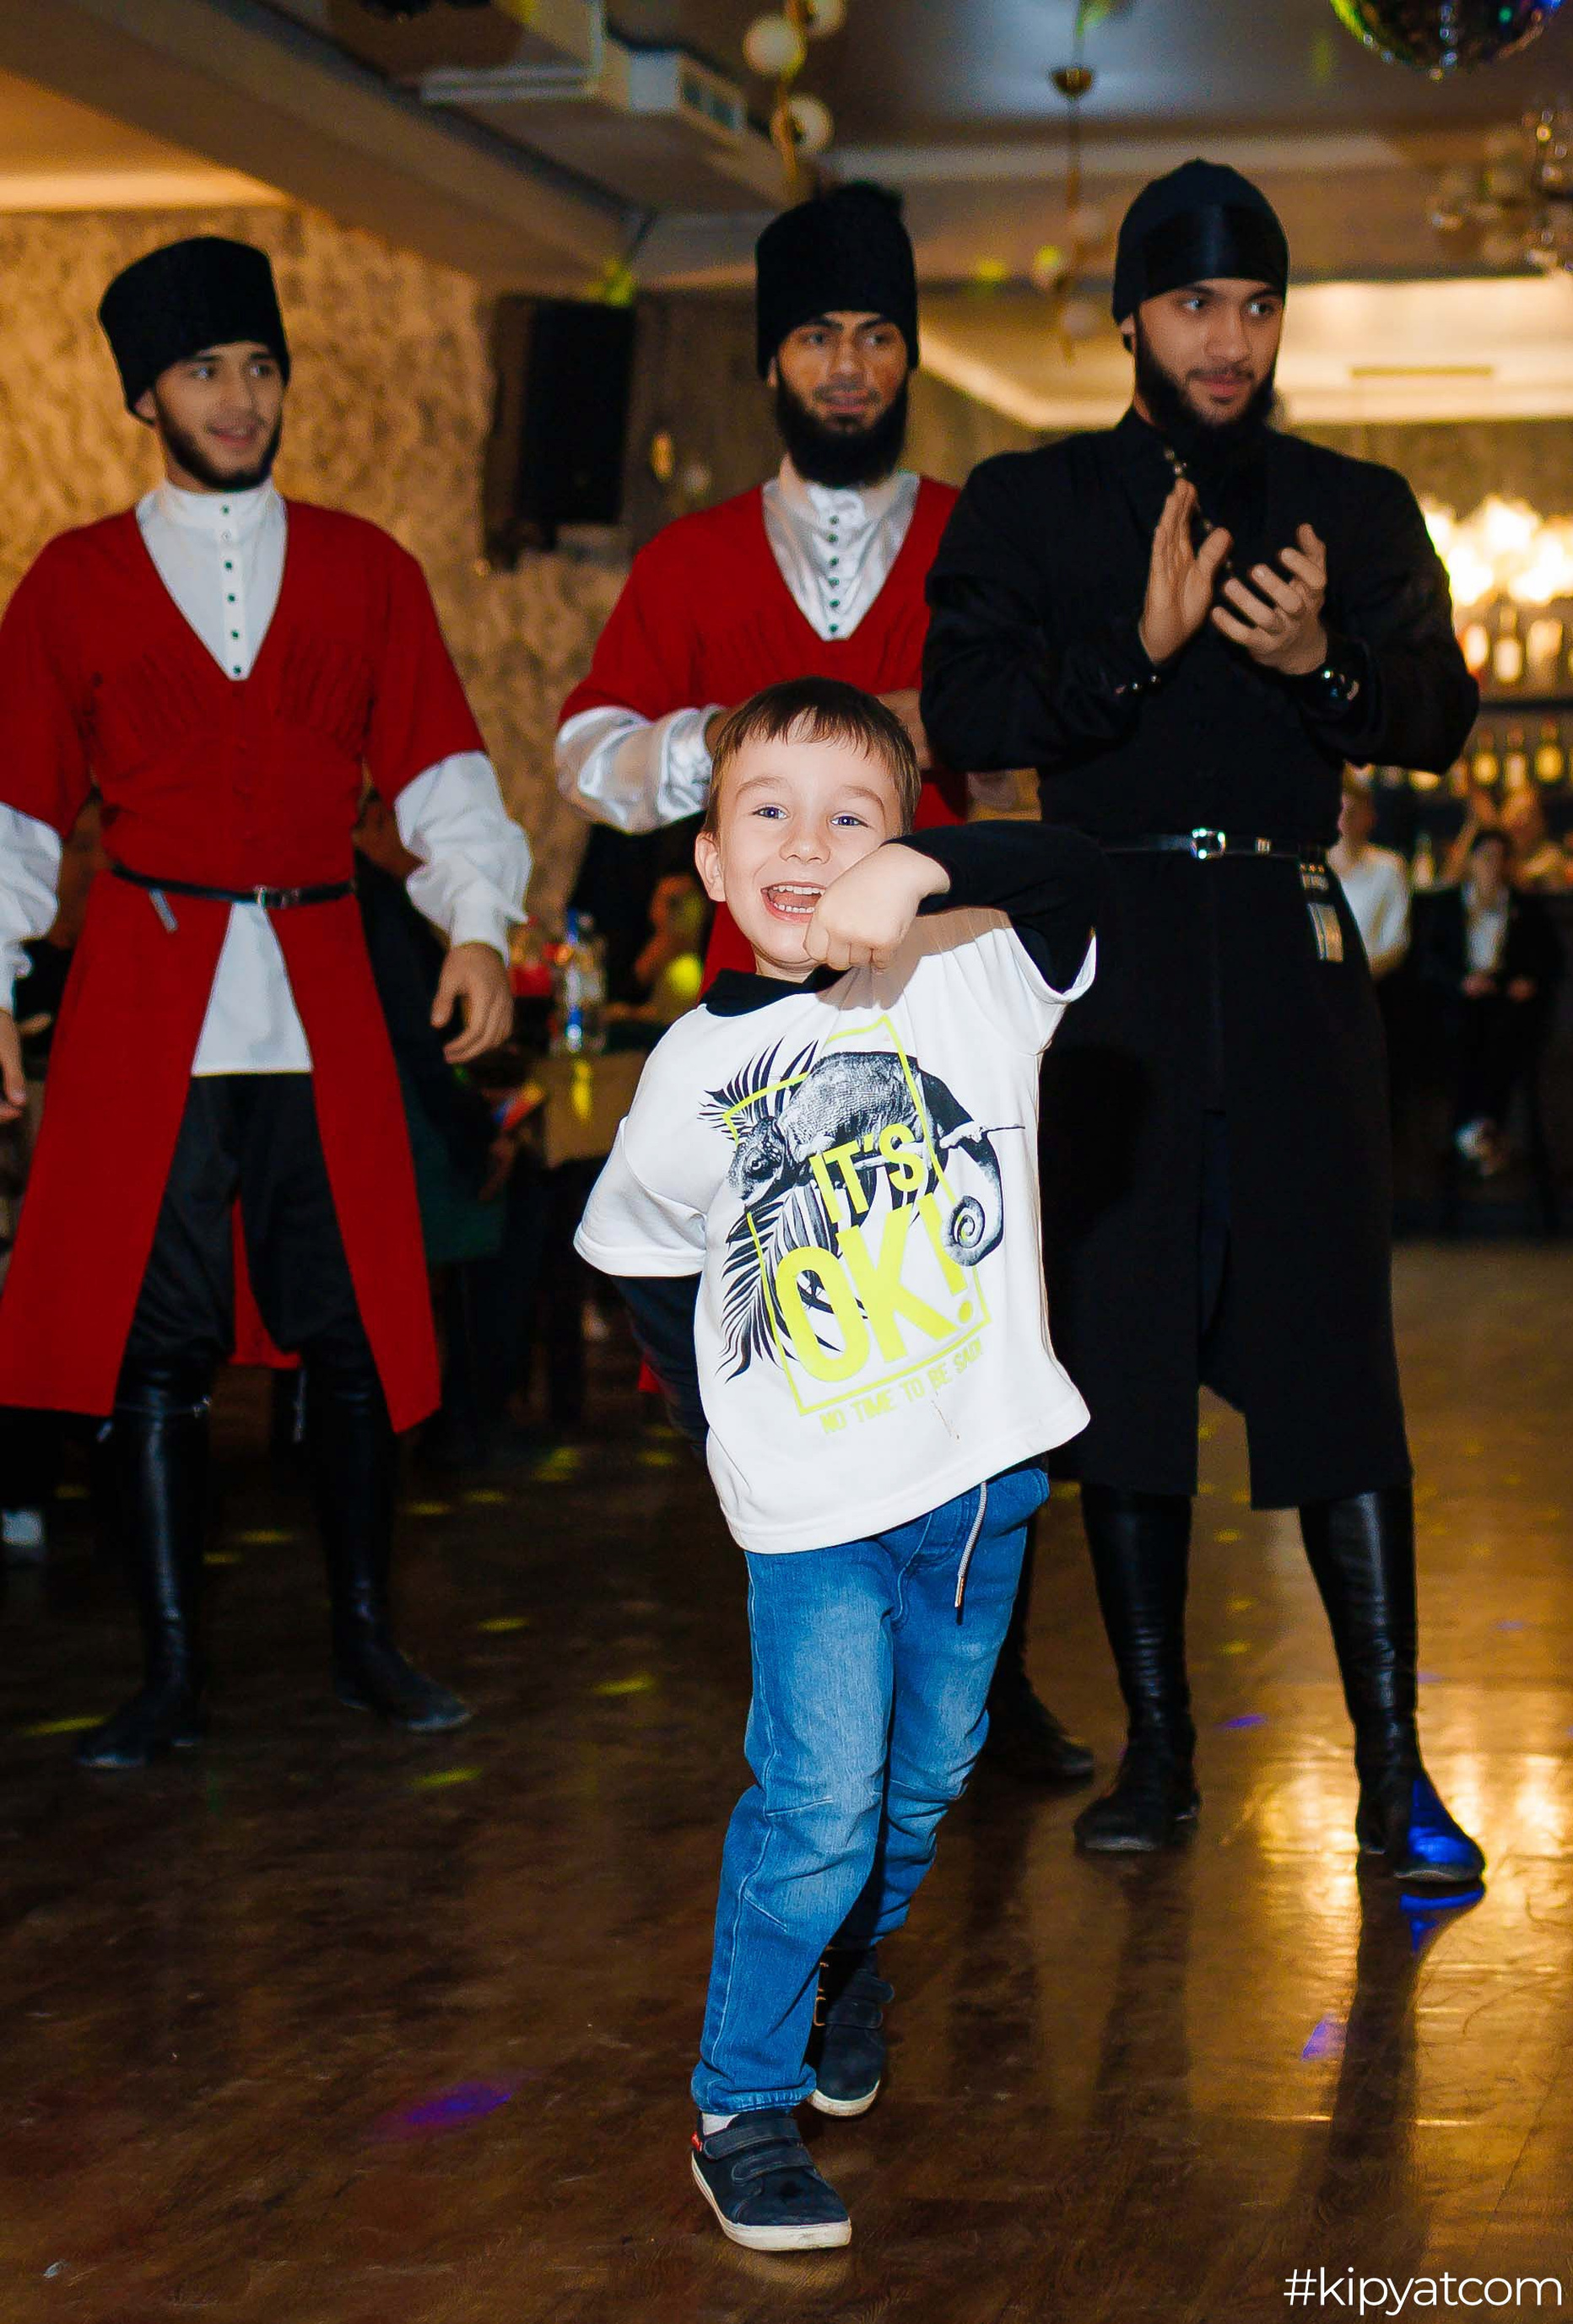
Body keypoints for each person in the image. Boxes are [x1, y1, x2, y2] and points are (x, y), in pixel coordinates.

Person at [922, 159, 1484, 1885]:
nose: (1227, 340)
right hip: (1110, 970)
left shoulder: (1352, 505)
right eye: (1192, 307)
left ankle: (1392, 1771)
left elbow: (1440, 713)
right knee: (1125, 1354)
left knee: (1336, 1360)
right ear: (1130, 321)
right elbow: (964, 709)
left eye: (1255, 306)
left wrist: (1321, 665)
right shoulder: (1030, 500)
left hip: (1294, 957)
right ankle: (1159, 1754)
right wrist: (1138, 650)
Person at [559, 181, 1085, 1784]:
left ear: (908, 355)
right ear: (772, 363)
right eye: (814, 340)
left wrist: (961, 728)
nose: (847, 367)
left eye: (874, 337)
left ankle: (987, 1682)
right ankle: (828, 1676)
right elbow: (585, 750)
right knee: (813, 1334)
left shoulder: (981, 532)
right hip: (759, 1016)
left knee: (973, 1320)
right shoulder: (692, 555)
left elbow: (1066, 730)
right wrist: (727, 745)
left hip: (957, 990)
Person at [575, 677, 1105, 2251]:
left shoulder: (972, 969)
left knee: (925, 1786)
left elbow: (1085, 866)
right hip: (814, 1523)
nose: (808, 844)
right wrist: (727, 1433)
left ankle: (847, 1968)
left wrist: (925, 873)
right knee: (820, 1807)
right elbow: (636, 1252)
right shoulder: (689, 1075)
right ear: (711, 861)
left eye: (851, 817)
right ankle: (741, 2102)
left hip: (983, 1488)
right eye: (769, 812)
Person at [0, 235, 530, 1768]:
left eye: (259, 367)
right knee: (154, 1343)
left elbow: (441, 768)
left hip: (323, 993)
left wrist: (478, 925)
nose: (237, 398)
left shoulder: (370, 570)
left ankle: (367, 1639)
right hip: (144, 998)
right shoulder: (73, 584)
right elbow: (15, 810)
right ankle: (171, 1672)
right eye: (202, 372)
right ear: (144, 397)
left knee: (353, 1327)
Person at [1424, 827, 1562, 1178]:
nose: (1494, 866)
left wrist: (1528, 981)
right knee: (1464, 1041)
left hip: (1506, 1003)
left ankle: (1474, 1131)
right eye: (1486, 857)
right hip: (1460, 1003)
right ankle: (1482, 1132)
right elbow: (1430, 962)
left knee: (1503, 1041)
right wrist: (1461, 982)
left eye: (1502, 858)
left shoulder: (1525, 907)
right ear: (1471, 861)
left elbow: (1550, 960)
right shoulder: (1447, 904)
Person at [1329, 778, 1410, 983]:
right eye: (1339, 811)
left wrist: (1355, 976)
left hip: (1371, 983)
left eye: (1353, 812)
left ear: (1370, 817)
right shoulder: (1313, 868)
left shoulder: (1389, 867)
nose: (1345, 820)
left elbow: (1396, 943)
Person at [1499, 785, 1573, 892]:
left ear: (1541, 823)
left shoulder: (1551, 858)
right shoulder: (1492, 853)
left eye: (1530, 814)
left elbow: (1524, 880)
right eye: (1516, 813)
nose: (1522, 821)